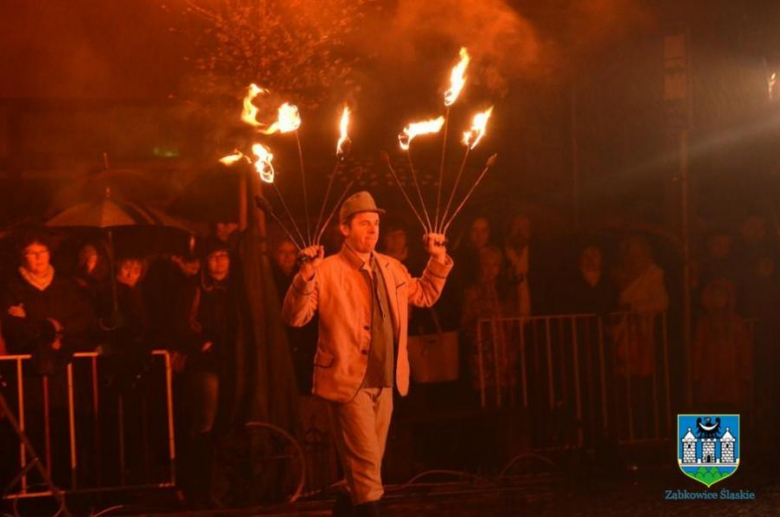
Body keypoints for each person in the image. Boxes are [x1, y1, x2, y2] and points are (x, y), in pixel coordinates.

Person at [283, 191, 452, 516]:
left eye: (375, 223)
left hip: (386, 379)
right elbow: (294, 317)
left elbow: (426, 294)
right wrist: (305, 275)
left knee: (364, 469)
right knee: (366, 474)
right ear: (344, 229)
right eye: (364, 223)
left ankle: (345, 507)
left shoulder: (392, 267)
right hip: (348, 382)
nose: (373, 230)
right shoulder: (327, 270)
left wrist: (437, 259)